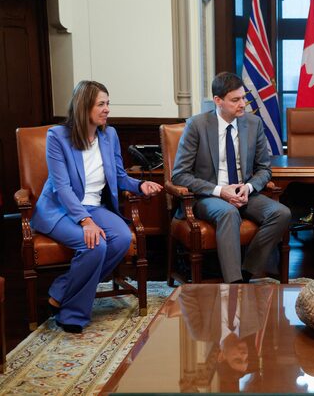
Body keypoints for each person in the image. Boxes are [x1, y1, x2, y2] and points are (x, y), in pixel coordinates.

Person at [30, 80, 163, 333]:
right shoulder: (57, 137)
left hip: (94, 205)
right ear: (84, 107)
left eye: (108, 103)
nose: (107, 109)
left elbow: (119, 175)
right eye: (101, 104)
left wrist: (140, 185)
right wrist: (86, 221)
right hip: (60, 209)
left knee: (122, 239)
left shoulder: (109, 135)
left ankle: (61, 290)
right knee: (94, 244)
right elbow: (62, 188)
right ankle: (72, 314)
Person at [171, 72, 291, 283]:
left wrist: (249, 188)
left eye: (243, 98)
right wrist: (220, 191)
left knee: (281, 213)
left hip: (245, 194)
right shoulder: (197, 125)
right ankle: (234, 285)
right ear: (218, 101)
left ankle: (246, 272)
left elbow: (264, 169)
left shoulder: (253, 124)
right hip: (209, 196)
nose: (242, 104)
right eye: (235, 100)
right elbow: (180, 175)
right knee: (228, 212)